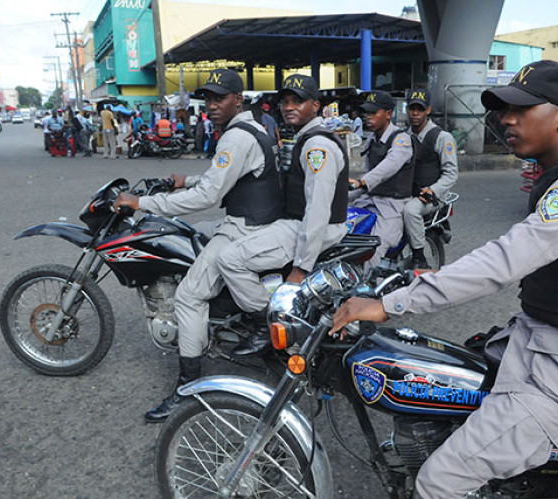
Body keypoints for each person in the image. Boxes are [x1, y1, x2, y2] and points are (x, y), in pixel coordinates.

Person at [332, 61, 558, 498]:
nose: (506, 119)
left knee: (439, 482)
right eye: (503, 110)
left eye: (522, 109)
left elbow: (503, 261)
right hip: (535, 349)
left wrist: (392, 303)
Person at [112, 68, 282, 423]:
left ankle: (188, 387)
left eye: (220, 98)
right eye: (208, 98)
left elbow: (209, 194)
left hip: (244, 229)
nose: (212, 104)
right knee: (191, 235)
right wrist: (182, 180)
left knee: (188, 296)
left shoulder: (235, 137)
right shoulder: (252, 128)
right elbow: (224, 177)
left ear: (238, 99)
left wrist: (142, 204)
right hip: (254, 220)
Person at [218, 74, 349, 357]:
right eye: (285, 101)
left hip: (308, 227)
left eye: (298, 101)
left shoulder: (318, 146)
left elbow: (317, 211)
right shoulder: (306, 138)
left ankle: (269, 320)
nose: (289, 107)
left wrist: (301, 268)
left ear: (316, 105)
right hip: (299, 222)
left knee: (228, 258)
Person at [349, 90, 414, 269]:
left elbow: (389, 166)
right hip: (369, 200)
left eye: (373, 113)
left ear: (388, 114)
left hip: (392, 206)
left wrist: (362, 182)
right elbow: (368, 172)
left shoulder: (401, 139)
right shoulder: (372, 139)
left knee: (372, 250)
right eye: (366, 113)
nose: (368, 117)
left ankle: (370, 291)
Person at [402, 89, 458, 268]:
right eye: (412, 108)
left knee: (411, 210)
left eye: (420, 109)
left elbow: (451, 173)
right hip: (409, 191)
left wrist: (433, 190)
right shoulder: (403, 136)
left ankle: (420, 257)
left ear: (428, 110)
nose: (415, 113)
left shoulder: (442, 137)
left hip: (432, 195)